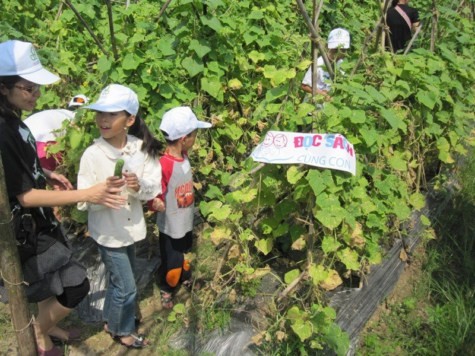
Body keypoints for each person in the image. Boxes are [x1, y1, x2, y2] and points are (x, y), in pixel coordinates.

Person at [0, 39, 126, 356]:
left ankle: (46, 327)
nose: (37, 94)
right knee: (75, 284)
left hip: (37, 223)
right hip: (24, 226)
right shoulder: (2, 131)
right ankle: (37, 334)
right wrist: (89, 194)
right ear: (3, 88)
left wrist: (45, 172)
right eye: (28, 88)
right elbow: (24, 196)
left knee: (51, 279)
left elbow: (20, 171)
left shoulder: (13, 118)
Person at [77, 84, 162, 349]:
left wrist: (138, 187)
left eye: (112, 114)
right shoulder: (92, 155)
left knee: (117, 280)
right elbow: (80, 199)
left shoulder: (140, 149)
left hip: (131, 228)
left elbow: (154, 186)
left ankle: (110, 320)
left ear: (130, 120)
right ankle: (123, 330)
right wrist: (99, 195)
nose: (103, 119)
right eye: (100, 113)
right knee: (128, 287)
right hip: (107, 231)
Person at [148, 106, 211, 309]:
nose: (196, 139)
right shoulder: (165, 163)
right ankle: (167, 287)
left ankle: (185, 276)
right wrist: (155, 202)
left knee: (184, 252)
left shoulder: (183, 156)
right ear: (184, 138)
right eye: (194, 135)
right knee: (171, 260)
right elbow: (156, 189)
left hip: (185, 218)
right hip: (171, 223)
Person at [24, 94, 89, 171]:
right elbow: (75, 145)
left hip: (21, 135)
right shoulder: (77, 119)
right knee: (45, 178)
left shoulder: (58, 112)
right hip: (43, 141)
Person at [301, 28, 351, 101]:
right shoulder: (318, 63)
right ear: (327, 47)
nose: (338, 54)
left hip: (330, 109)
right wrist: (322, 94)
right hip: (312, 107)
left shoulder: (341, 64)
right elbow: (304, 85)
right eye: (335, 50)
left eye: (342, 51)